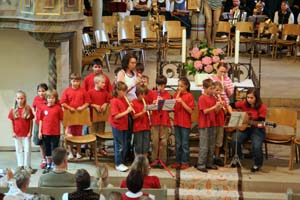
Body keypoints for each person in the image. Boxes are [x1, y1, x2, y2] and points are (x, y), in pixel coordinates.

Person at [231, 88, 267, 172]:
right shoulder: (244, 103)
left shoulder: (262, 107)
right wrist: (232, 113)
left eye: (252, 98)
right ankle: (238, 157)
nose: (249, 100)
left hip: (257, 129)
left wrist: (251, 122)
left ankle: (257, 164)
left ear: (256, 98)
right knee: (235, 140)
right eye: (248, 97)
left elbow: (261, 121)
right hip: (244, 128)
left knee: (256, 145)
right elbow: (231, 105)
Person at [60, 73, 91, 159]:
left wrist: (82, 107)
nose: (75, 83)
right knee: (70, 134)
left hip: (80, 115)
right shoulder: (67, 91)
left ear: (80, 82)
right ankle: (70, 152)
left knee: (79, 135)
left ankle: (78, 152)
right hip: (70, 115)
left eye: (77, 81)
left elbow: (88, 102)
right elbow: (62, 102)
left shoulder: (83, 91)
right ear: (71, 81)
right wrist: (69, 107)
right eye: (74, 81)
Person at [196, 79, 222, 173]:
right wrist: (215, 106)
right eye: (211, 89)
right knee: (204, 146)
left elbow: (216, 112)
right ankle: (201, 164)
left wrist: (219, 106)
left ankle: (209, 163)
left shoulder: (213, 98)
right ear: (205, 88)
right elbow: (205, 111)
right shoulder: (202, 98)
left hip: (213, 123)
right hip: (204, 124)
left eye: (213, 88)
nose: (212, 91)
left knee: (211, 145)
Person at [8, 90, 34, 172]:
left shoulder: (28, 108)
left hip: (26, 134)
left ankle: (27, 165)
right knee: (18, 149)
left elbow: (31, 121)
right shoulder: (13, 110)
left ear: (24, 99)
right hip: (17, 134)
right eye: (18, 98)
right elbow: (11, 121)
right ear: (16, 99)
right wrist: (13, 132)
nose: (20, 100)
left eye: (21, 98)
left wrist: (30, 131)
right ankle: (20, 165)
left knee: (27, 150)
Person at [171, 77, 194, 170]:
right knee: (178, 143)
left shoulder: (189, 96)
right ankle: (178, 161)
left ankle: (185, 161)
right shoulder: (176, 94)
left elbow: (190, 111)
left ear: (186, 86)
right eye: (178, 86)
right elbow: (173, 109)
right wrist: (175, 101)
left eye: (181, 86)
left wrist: (182, 102)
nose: (179, 88)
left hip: (185, 123)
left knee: (184, 144)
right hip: (177, 122)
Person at [109, 82, 133, 172]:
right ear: (118, 91)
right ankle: (118, 163)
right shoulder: (114, 101)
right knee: (119, 145)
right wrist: (127, 111)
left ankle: (122, 161)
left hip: (124, 125)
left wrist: (130, 106)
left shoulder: (123, 99)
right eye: (124, 91)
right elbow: (115, 116)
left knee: (124, 144)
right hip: (117, 125)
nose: (125, 93)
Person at [38, 90, 63, 174]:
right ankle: (48, 164)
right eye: (49, 98)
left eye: (53, 98)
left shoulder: (58, 109)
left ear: (55, 99)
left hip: (55, 133)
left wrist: (65, 130)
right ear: (46, 98)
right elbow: (41, 120)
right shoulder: (43, 108)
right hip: (45, 133)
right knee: (47, 149)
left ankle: (53, 164)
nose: (51, 100)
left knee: (54, 149)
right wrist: (40, 132)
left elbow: (62, 120)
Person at [150, 75, 171, 167]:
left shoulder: (167, 95)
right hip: (155, 120)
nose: (160, 87)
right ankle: (154, 160)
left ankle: (163, 161)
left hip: (164, 121)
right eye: (159, 85)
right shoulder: (152, 93)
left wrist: (164, 102)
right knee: (155, 142)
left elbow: (170, 108)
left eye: (162, 86)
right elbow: (147, 105)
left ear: (165, 85)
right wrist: (154, 103)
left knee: (163, 142)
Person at [32, 83, 48, 169]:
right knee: (40, 142)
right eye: (39, 91)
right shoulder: (36, 99)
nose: (41, 93)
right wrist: (35, 113)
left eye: (43, 91)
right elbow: (33, 107)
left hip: (47, 123)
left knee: (47, 142)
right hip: (38, 123)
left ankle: (50, 159)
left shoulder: (49, 99)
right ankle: (43, 159)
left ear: (46, 91)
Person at [213, 81, 229, 166]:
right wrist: (218, 106)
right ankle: (211, 157)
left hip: (221, 122)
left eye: (219, 90)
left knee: (219, 140)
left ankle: (217, 156)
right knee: (213, 140)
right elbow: (215, 112)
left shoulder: (222, 99)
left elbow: (225, 112)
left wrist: (223, 106)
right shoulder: (212, 99)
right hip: (214, 123)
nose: (218, 92)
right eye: (216, 90)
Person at [131, 85, 151, 157]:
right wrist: (142, 112)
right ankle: (138, 162)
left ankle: (145, 162)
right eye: (141, 94)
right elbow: (133, 116)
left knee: (146, 145)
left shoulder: (146, 102)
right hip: (138, 127)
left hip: (146, 126)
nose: (143, 96)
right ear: (137, 94)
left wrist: (150, 112)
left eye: (144, 94)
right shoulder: (133, 102)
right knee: (138, 146)